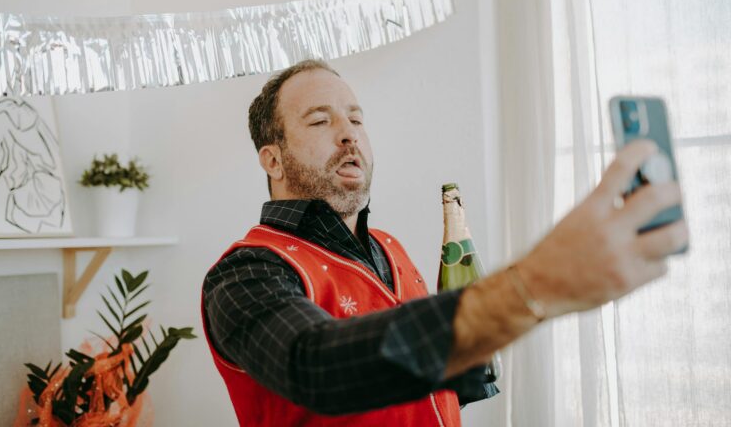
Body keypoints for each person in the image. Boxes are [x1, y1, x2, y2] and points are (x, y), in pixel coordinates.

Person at [201, 59, 688, 426]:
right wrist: (536, 281)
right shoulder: (246, 272)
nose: (349, 135)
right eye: (320, 121)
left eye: (356, 118)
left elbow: (444, 383)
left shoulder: (390, 246)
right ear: (272, 160)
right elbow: (317, 366)